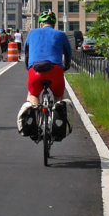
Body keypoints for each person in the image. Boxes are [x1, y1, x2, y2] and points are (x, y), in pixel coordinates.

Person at [17, 10, 73, 139]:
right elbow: (68, 53)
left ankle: (35, 119)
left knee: (33, 94)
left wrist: (28, 67)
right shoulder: (61, 34)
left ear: (41, 24)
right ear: (54, 24)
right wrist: (66, 66)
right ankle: (57, 116)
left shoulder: (32, 33)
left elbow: (26, 53)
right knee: (59, 95)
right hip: (55, 70)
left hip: (35, 71)